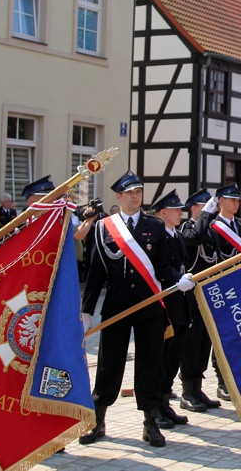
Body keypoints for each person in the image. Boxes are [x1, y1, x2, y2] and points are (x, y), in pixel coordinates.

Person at [78, 171, 195, 448]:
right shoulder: (103, 227)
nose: (135, 196)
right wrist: (86, 312)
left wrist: (177, 279)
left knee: (150, 364)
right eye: (130, 193)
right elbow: (95, 273)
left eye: (139, 192)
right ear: (118, 197)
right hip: (117, 307)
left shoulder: (154, 226)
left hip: (149, 307)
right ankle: (98, 420)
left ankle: (150, 422)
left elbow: (162, 265)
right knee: (109, 365)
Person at [194, 183, 241, 401]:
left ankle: (233, 378)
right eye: (231, 200)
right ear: (220, 202)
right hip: (220, 289)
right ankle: (221, 381)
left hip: (240, 287)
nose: (236, 203)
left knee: (238, 337)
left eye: (238, 200)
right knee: (222, 337)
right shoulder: (211, 227)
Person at [150, 190, 191, 430]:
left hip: (180, 304)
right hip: (164, 304)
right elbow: (158, 266)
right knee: (161, 357)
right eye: (176, 210)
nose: (180, 213)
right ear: (163, 212)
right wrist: (177, 278)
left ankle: (165, 402)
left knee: (174, 355)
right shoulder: (157, 237)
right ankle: (155, 408)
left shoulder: (176, 234)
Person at [177, 189, 221, 412]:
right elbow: (195, 238)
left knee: (205, 342)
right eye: (203, 206)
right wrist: (204, 216)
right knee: (192, 343)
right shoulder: (187, 228)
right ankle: (187, 391)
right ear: (194, 208)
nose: (208, 210)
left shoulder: (209, 229)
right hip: (192, 295)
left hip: (208, 293)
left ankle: (198, 387)